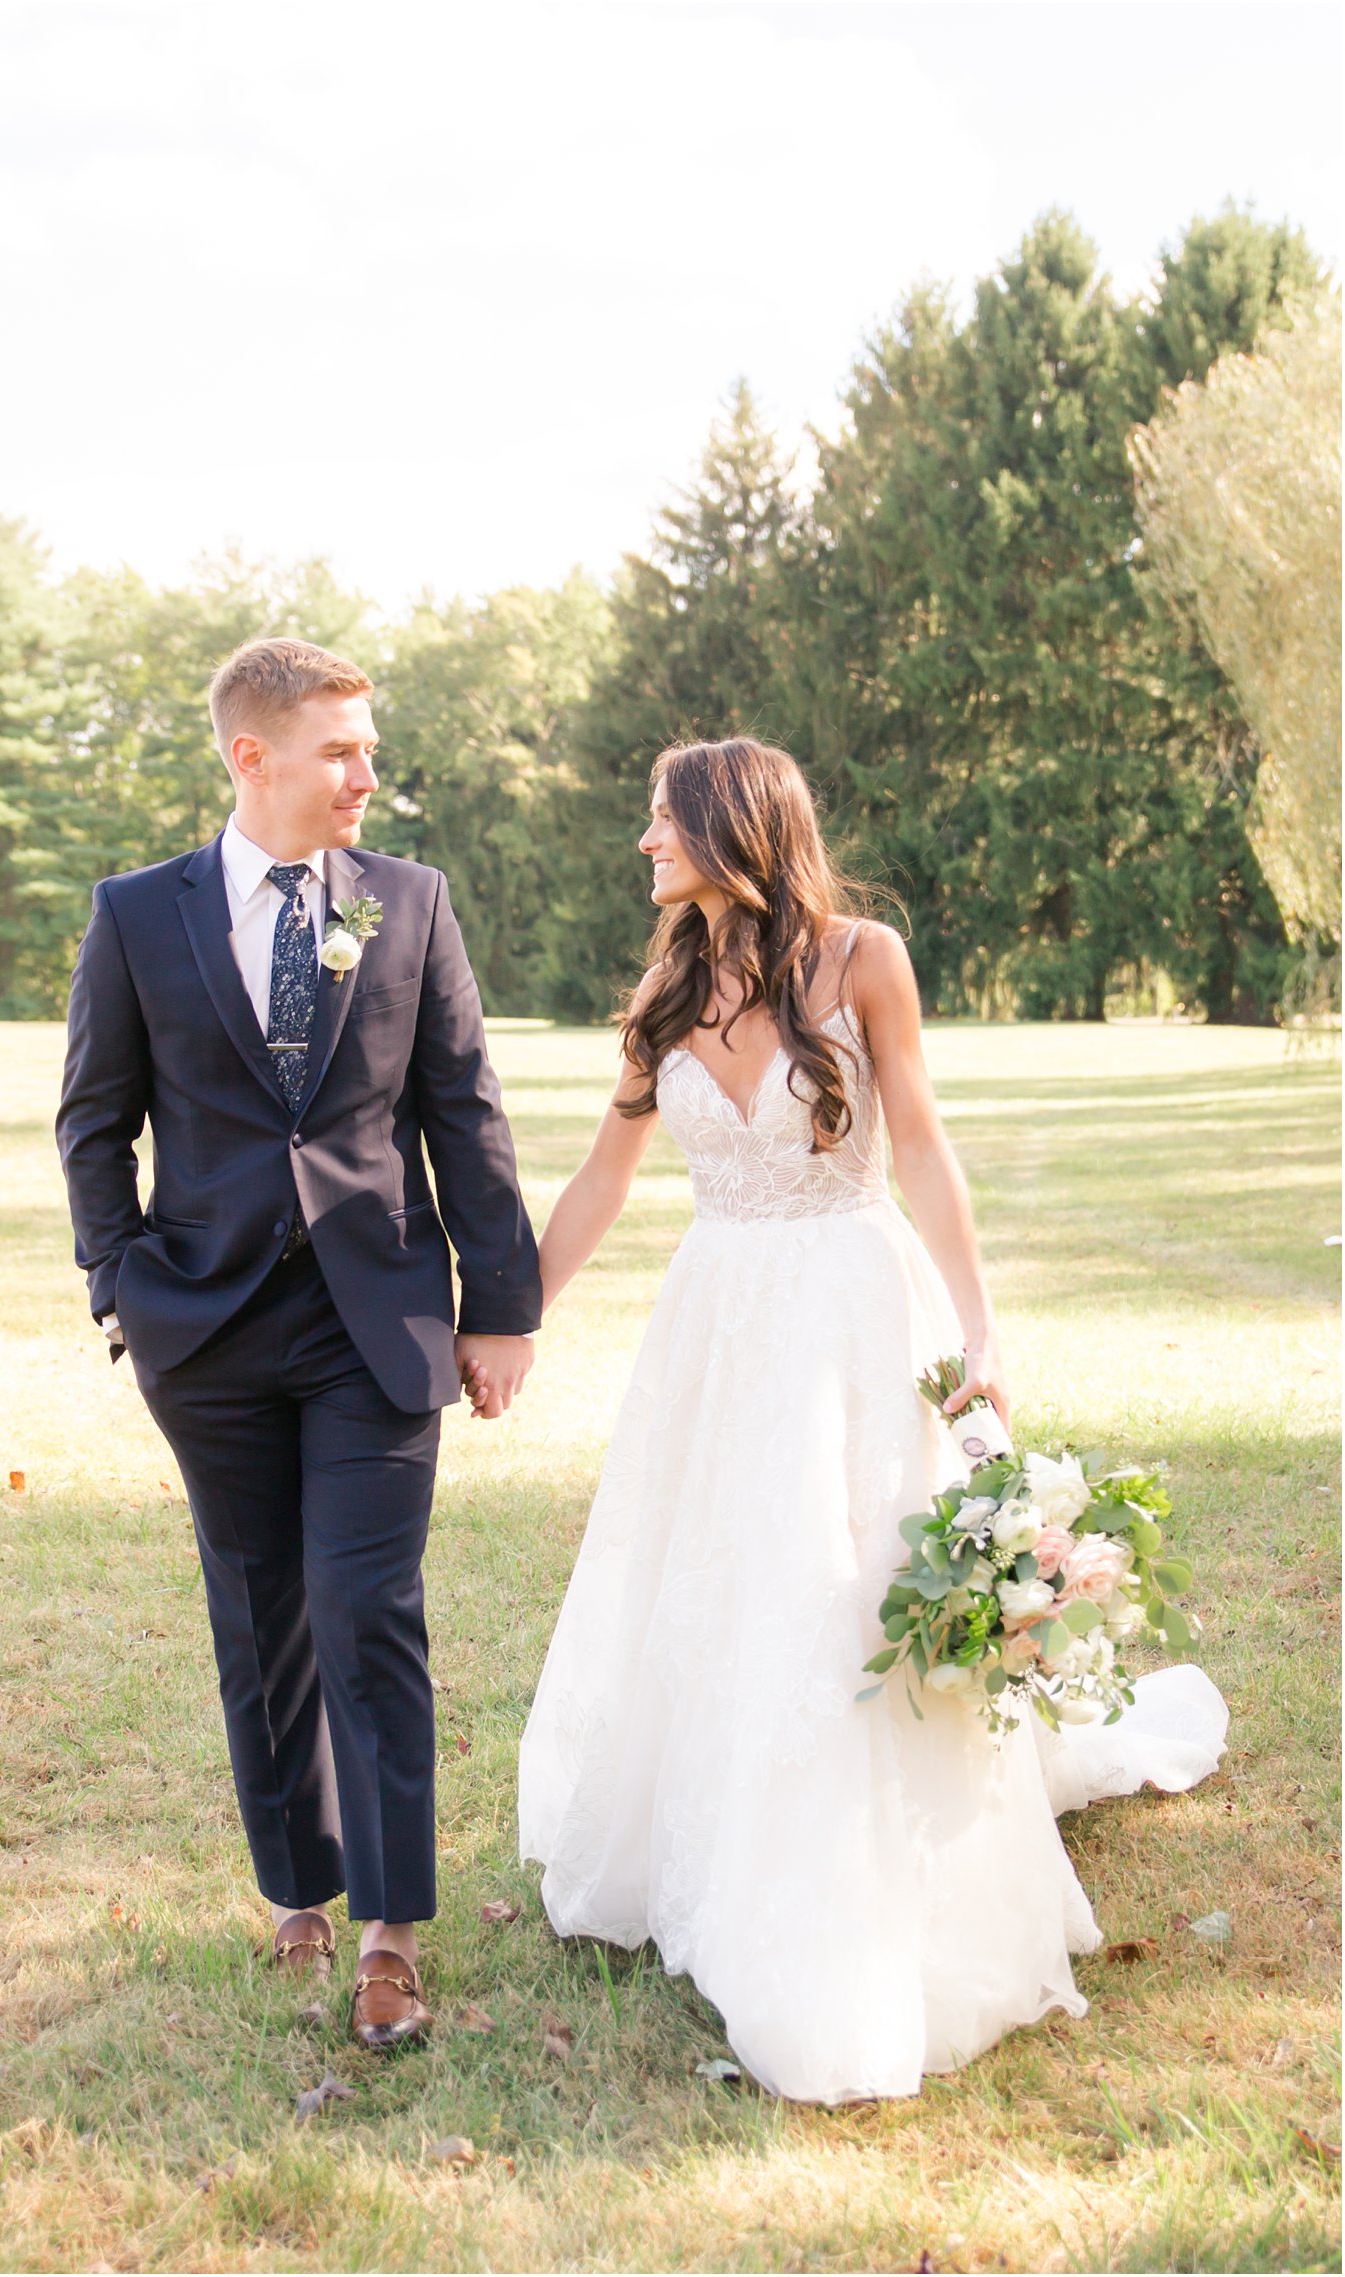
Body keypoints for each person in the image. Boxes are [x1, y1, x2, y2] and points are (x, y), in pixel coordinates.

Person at [512, 736, 1227, 2105]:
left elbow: (929, 1144)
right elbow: (601, 1181)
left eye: (661, 822)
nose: (644, 845)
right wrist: (513, 1318)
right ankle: (714, 1840)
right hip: (716, 1323)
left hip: (850, 1303)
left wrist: (981, 1332)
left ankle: (856, 1865)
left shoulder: (863, 959)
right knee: (716, 1576)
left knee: (844, 1579)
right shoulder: (664, 988)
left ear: (732, 825)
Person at [56, 637, 540, 2048]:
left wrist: (500, 1305)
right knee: (259, 1614)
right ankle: (298, 1893)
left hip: (375, 1321)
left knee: (365, 1611)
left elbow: (467, 1109)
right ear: (248, 756)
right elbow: (96, 1117)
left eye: (368, 748)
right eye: (340, 750)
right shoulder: (138, 915)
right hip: (202, 1329)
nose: (366, 776)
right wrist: (117, 1283)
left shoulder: (410, 903)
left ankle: (391, 1928)